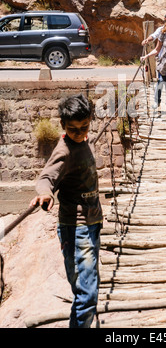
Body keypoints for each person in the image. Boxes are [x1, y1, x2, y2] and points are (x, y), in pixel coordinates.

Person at [30, 94, 102, 328]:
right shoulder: (65, 151)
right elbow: (47, 177)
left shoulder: (85, 141)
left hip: (92, 224)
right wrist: (45, 193)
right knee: (87, 294)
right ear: (62, 125)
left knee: (86, 288)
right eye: (73, 130)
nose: (80, 133)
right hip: (76, 229)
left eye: (85, 127)